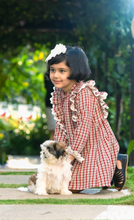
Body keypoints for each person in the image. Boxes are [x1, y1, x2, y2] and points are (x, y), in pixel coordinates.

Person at [45, 43, 128, 192]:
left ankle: (116, 162)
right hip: (76, 140)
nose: (56, 75)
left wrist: (70, 157)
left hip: (94, 141)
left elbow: (83, 128)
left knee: (72, 188)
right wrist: (57, 154)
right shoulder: (59, 93)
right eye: (53, 70)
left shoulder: (84, 93)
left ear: (76, 70)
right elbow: (61, 125)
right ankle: (110, 168)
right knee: (56, 185)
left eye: (62, 71)